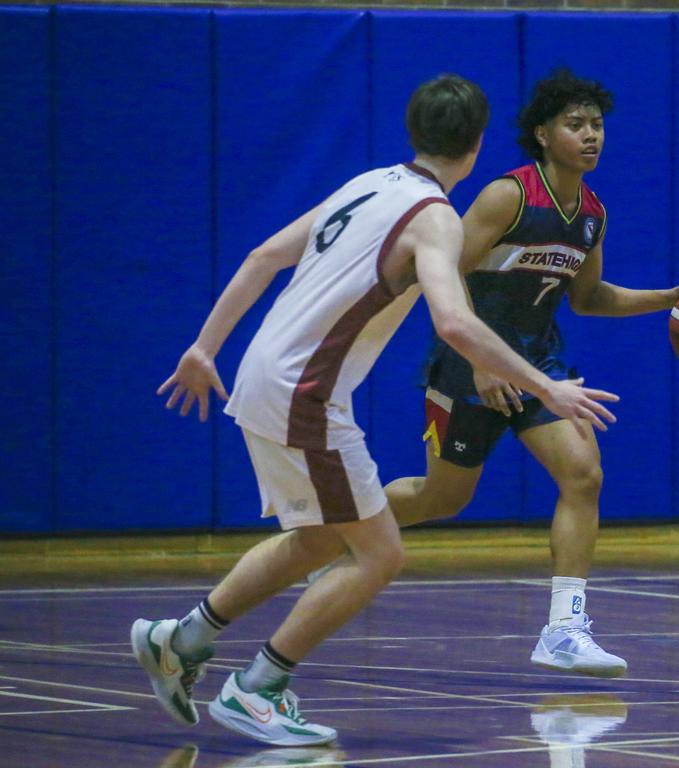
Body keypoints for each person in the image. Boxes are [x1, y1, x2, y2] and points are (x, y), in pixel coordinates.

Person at [130, 74, 619, 747]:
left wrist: (204, 347)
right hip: (306, 392)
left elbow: (263, 255)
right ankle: (258, 689)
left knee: (321, 539)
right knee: (379, 555)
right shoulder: (436, 217)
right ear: (477, 145)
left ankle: (179, 640)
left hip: (261, 376)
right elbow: (453, 322)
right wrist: (549, 386)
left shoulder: (368, 183)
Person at [384, 70, 679, 678]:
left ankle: (564, 630)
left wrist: (667, 298)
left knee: (584, 473)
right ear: (542, 134)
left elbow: (589, 297)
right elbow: (445, 277)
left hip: (540, 366)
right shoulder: (507, 196)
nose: (590, 136)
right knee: (443, 498)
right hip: (468, 366)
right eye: (575, 124)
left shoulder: (591, 213)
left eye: (596, 125)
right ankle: (332, 532)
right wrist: (480, 360)